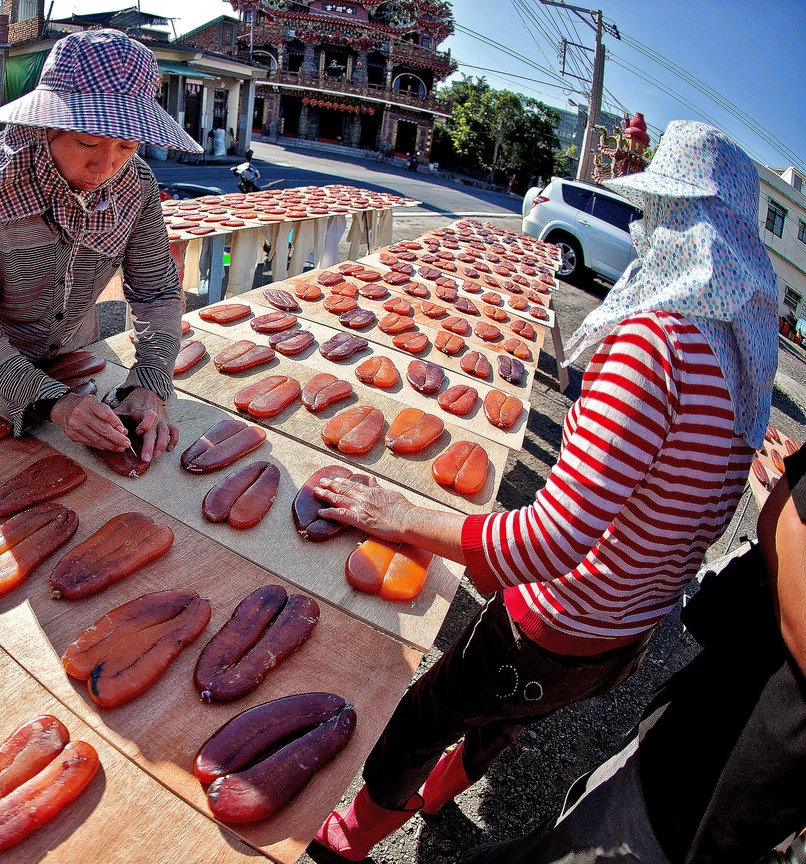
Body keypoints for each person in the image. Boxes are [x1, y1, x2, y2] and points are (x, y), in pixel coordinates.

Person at [306, 120, 781, 861]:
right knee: (504, 718)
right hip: (622, 637)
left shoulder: (658, 342)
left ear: (671, 223)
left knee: (431, 710)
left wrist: (401, 514)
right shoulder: (735, 362)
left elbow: (554, 538)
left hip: (556, 623)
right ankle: (439, 796)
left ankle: (348, 839)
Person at [457, 442, 805, 864]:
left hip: (733, 786)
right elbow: (788, 515)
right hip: (705, 770)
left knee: (485, 724)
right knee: (572, 829)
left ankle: (430, 799)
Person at [0, 29, 201, 462]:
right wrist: (52, 402)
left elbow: (156, 293)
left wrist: (150, 382)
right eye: (86, 142)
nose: (105, 166)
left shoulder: (136, 189)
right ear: (45, 127)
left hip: (78, 361)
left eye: (126, 146)